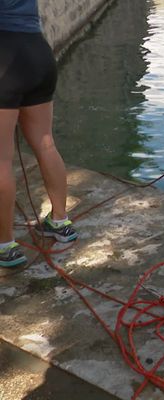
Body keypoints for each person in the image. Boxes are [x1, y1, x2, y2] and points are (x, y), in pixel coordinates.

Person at [0, 0, 79, 268]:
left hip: (4, 57)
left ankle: (5, 245)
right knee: (46, 144)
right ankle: (60, 222)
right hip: (37, 52)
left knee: (1, 159)